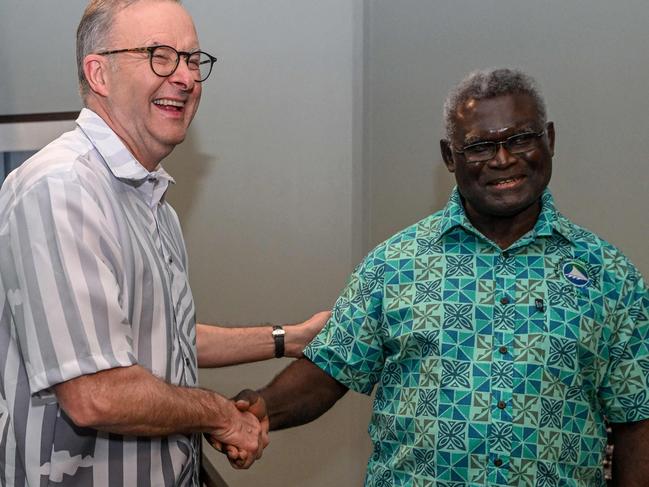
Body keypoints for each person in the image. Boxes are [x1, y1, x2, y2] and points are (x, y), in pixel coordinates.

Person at [233, 68, 649, 486]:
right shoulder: (394, 265)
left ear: (550, 140)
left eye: (521, 139)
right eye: (480, 146)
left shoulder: (610, 277)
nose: (503, 159)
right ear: (450, 156)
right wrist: (256, 410)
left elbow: (637, 421)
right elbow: (329, 371)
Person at [0, 0, 328, 485]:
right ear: (99, 74)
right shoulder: (63, 189)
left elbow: (161, 339)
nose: (185, 77)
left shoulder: (154, 204)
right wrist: (220, 415)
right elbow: (96, 392)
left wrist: (288, 339)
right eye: (159, 55)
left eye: (193, 60)